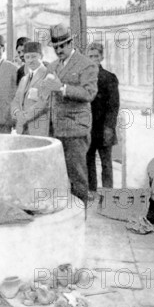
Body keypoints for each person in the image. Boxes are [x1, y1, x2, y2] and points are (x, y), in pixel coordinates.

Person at [40, 23, 98, 205]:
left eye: (63, 45)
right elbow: (47, 96)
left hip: (75, 131)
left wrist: (63, 88)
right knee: (58, 178)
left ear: (71, 42)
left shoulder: (86, 64)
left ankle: (80, 222)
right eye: (56, 47)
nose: (59, 50)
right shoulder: (52, 66)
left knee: (77, 178)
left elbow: (89, 93)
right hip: (56, 130)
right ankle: (66, 221)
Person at [86, 42, 119, 194]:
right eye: (90, 56)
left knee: (106, 163)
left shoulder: (109, 78)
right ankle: (91, 192)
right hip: (88, 128)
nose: (93, 59)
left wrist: (109, 128)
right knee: (89, 162)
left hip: (104, 128)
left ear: (102, 57)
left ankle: (108, 195)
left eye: (96, 56)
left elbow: (113, 106)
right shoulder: (83, 78)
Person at [11, 41, 50, 136]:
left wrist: (24, 117)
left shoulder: (48, 75)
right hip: (22, 129)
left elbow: (44, 103)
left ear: (41, 56)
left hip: (39, 129)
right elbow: (15, 102)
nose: (30, 60)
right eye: (27, 57)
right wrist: (16, 113)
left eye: (33, 56)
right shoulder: (24, 79)